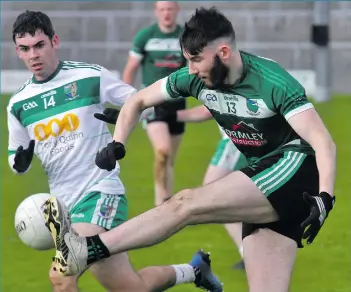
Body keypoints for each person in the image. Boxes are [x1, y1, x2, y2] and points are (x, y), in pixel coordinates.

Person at [43, 7, 336, 292]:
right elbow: (138, 101)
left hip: (295, 171)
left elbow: (323, 142)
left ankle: (85, 249)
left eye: (196, 60)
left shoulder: (272, 81)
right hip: (266, 182)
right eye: (187, 60)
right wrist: (118, 141)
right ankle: (85, 249)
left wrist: (325, 197)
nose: (190, 69)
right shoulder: (195, 78)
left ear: (223, 53)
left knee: (186, 204)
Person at [7, 10, 223, 292]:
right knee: (132, 287)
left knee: (62, 276)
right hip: (62, 209)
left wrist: (122, 118)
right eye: (25, 49)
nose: (33, 55)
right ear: (18, 51)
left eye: (39, 45)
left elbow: (140, 103)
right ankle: (194, 270)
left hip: (99, 191)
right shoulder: (18, 104)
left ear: (54, 41)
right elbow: (14, 159)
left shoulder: (89, 76)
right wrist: (20, 161)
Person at [96, 105, 247, 270]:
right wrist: (130, 115)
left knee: (215, 197)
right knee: (230, 198)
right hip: (245, 138)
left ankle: (248, 251)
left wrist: (133, 115)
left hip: (235, 140)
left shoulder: (218, 84)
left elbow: (205, 111)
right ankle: (250, 249)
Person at [122, 1, 187, 206]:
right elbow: (131, 68)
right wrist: (128, 99)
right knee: (162, 151)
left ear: (176, 10)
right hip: (153, 103)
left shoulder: (185, 37)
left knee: (169, 160)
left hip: (177, 104)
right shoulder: (146, 36)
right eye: (162, 9)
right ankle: (161, 203)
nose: (166, 13)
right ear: (156, 12)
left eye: (170, 9)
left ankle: (166, 203)